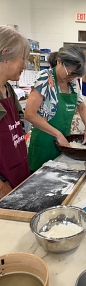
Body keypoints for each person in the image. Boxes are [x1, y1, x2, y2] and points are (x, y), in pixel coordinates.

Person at [25, 45, 86, 172]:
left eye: (75, 75)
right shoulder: (45, 78)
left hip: (63, 143)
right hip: (43, 144)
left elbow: (81, 106)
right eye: (70, 73)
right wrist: (57, 134)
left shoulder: (73, 82)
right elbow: (29, 114)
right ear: (59, 61)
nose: (71, 78)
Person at [0, 26, 30, 197]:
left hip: (18, 179)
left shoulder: (8, 89)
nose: (24, 65)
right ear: (6, 54)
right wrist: (3, 191)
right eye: (22, 58)